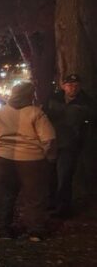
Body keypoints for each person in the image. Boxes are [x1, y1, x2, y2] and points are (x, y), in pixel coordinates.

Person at [0, 82, 56, 241]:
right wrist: (49, 157)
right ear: (30, 95)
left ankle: (3, 229)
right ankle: (35, 231)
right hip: (32, 161)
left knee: (5, 196)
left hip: (3, 160)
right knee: (34, 197)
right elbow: (49, 140)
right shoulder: (36, 113)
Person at [43, 74, 95, 217]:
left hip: (70, 145)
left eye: (76, 85)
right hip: (52, 142)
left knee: (64, 177)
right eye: (70, 85)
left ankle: (62, 209)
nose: (73, 88)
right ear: (63, 86)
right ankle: (50, 202)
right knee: (50, 175)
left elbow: (89, 124)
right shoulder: (54, 98)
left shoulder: (86, 102)